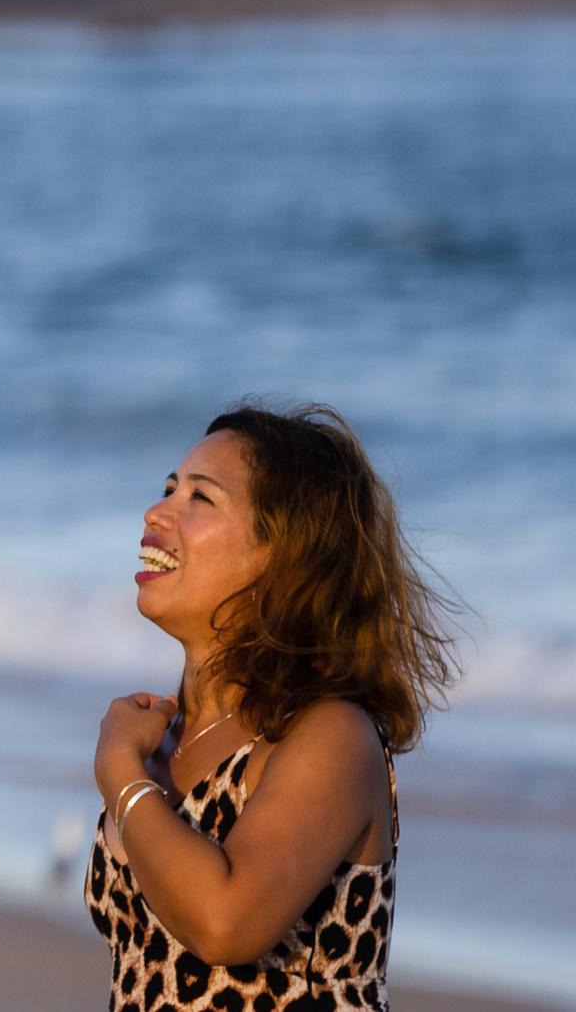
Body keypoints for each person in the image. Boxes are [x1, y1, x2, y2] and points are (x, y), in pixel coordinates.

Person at [85, 404, 460, 1012]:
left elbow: (225, 923)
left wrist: (121, 775)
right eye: (168, 489)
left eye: (201, 499)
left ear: (283, 556)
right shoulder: (164, 736)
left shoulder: (329, 734)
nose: (158, 511)